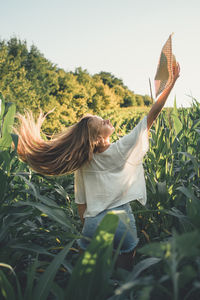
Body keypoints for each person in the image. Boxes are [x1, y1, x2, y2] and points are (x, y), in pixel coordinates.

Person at [14, 63, 180, 270]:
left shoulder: (83, 163)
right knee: (124, 274)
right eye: (102, 123)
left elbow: (81, 203)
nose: (107, 119)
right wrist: (171, 83)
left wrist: (89, 229)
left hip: (93, 223)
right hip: (122, 222)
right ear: (98, 138)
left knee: (88, 277)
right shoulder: (121, 148)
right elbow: (152, 115)